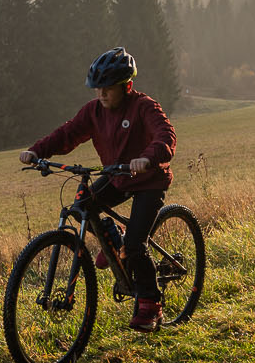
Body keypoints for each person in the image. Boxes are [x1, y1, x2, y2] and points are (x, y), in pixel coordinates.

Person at [19, 46, 178, 331]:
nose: (101, 94)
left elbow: (166, 135)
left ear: (127, 86)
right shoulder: (94, 111)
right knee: (80, 207)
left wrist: (148, 158)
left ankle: (151, 303)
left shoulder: (143, 106)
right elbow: (67, 133)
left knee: (136, 245)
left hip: (148, 181)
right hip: (117, 176)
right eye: (97, 89)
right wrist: (38, 151)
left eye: (108, 89)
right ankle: (113, 240)